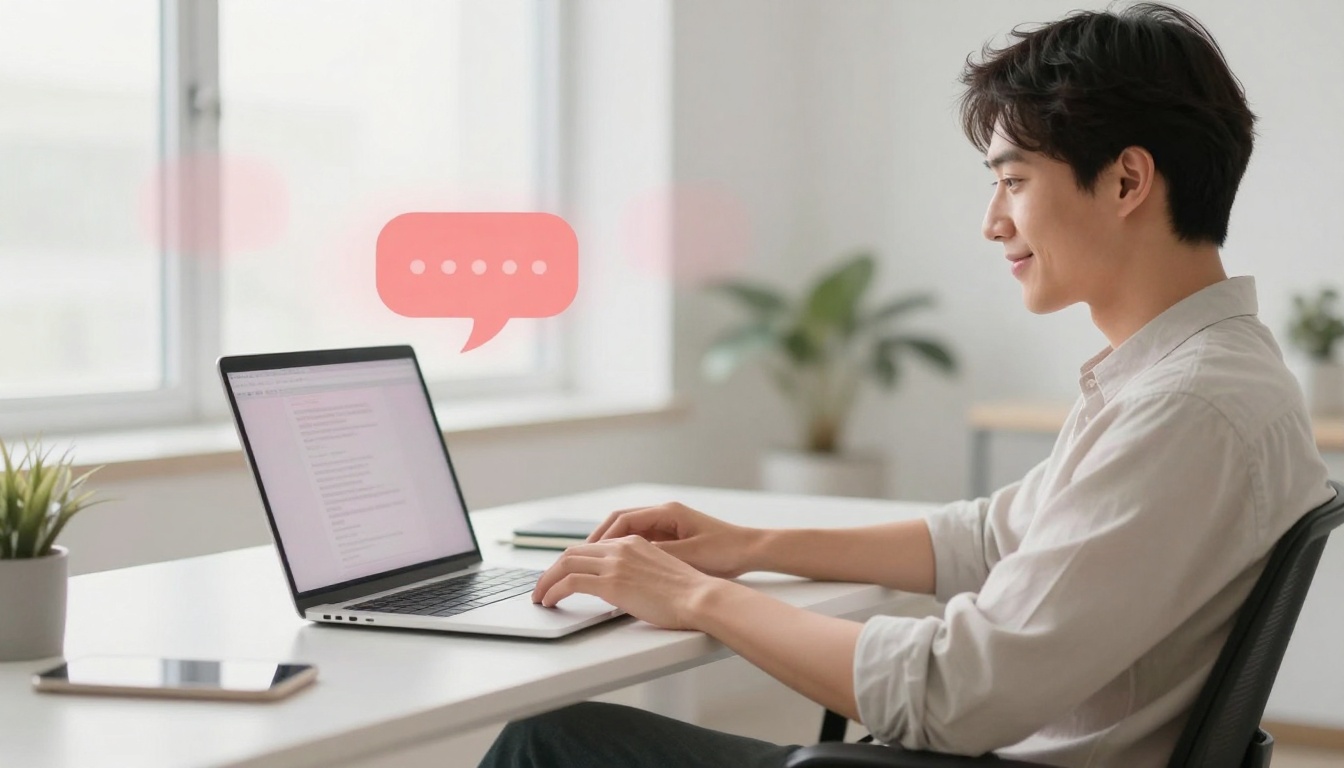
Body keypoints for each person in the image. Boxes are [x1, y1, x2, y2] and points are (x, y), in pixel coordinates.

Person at [478, 3, 1333, 766]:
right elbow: (990, 539)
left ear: (1127, 181)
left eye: (1012, 181)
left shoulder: (1186, 407)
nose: (992, 222)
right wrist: (750, 545)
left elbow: (953, 694)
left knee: (549, 744)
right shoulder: (1196, 374)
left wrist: (696, 597)